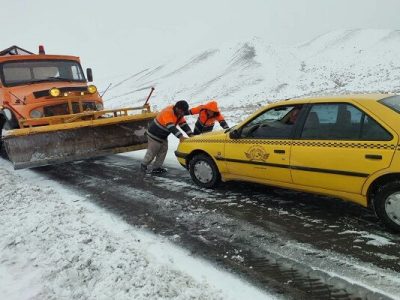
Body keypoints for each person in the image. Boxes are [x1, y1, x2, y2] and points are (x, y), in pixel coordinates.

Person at [141, 100, 193, 174]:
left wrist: (191, 135)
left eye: (184, 112)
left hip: (163, 136)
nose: (183, 113)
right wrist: (180, 137)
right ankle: (144, 165)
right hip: (154, 134)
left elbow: (183, 124)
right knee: (153, 151)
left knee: (163, 150)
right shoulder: (168, 112)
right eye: (182, 111)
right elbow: (170, 126)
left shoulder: (179, 114)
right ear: (177, 108)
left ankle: (156, 168)